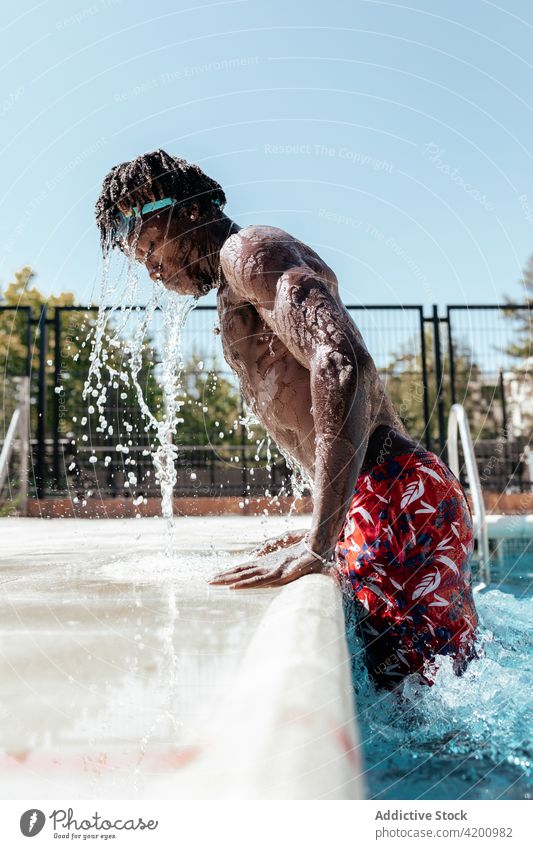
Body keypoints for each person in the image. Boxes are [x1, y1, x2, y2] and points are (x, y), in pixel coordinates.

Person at [95, 149, 478, 688]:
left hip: (395, 493)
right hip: (382, 496)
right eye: (142, 263)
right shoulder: (236, 282)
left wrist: (319, 544)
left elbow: (342, 362)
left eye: (152, 248)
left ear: (182, 211)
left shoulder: (248, 252)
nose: (153, 269)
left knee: (431, 708)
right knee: (425, 694)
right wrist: (331, 519)